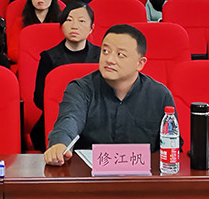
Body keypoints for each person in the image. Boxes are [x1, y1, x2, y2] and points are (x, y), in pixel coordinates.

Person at [44, 24, 175, 163]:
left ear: (140, 63)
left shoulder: (159, 95)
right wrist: (60, 144)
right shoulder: (80, 89)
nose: (110, 60)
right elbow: (69, 119)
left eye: (120, 54)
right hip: (88, 173)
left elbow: (172, 146)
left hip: (143, 174)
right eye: (105, 51)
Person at [31, 3, 97, 146]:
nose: (74, 26)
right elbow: (39, 98)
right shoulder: (49, 57)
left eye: (81, 21)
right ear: (61, 25)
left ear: (91, 28)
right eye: (69, 20)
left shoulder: (101, 56)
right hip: (56, 122)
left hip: (94, 124)